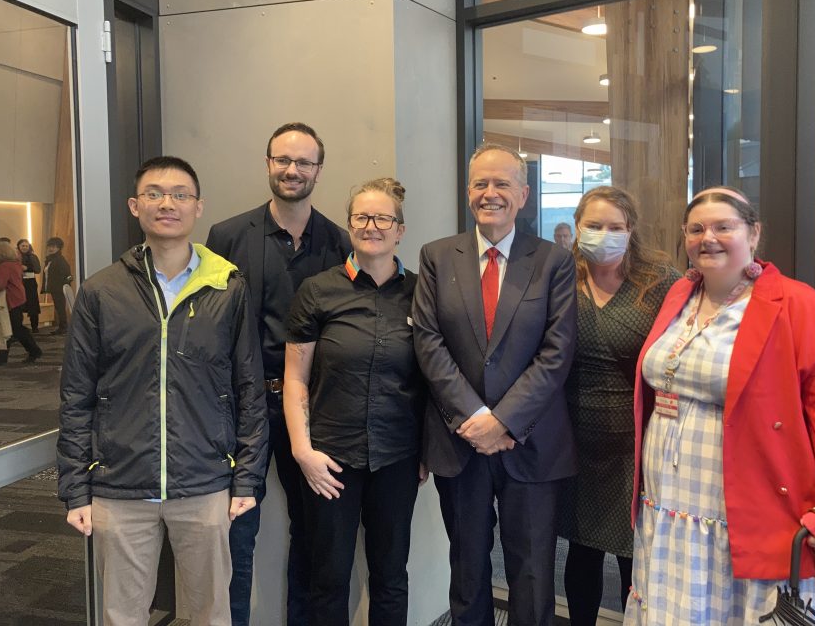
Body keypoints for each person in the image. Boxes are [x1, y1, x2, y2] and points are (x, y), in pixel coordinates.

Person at [626, 186, 815, 624]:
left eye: (724, 226)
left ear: (754, 233)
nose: (709, 237)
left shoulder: (808, 312)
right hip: (674, 496)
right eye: (697, 229)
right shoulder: (681, 296)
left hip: (750, 501)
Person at [57, 156, 268, 626]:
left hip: (205, 482)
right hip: (120, 485)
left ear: (198, 207)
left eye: (180, 194)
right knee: (121, 615)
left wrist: (247, 476)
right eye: (154, 193)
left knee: (210, 613)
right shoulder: (102, 291)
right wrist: (75, 487)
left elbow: (249, 387)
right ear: (135, 206)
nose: (166, 203)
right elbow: (77, 394)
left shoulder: (227, 287)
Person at [413, 142, 578, 626]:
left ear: (523, 194)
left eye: (502, 183)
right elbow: (428, 342)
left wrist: (504, 420)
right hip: (459, 441)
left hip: (531, 442)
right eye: (481, 184)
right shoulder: (437, 257)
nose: (491, 193)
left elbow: (557, 351)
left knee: (532, 572)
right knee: (467, 568)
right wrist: (476, 418)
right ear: (468, 193)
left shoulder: (553, 262)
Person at [206, 122, 351, 626]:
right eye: (283, 160)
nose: (292, 170)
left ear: (318, 170)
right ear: (268, 163)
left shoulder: (340, 241)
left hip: (312, 411)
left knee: (314, 534)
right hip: (242, 410)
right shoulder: (225, 237)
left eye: (303, 162)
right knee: (236, 533)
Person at [284, 177, 425, 626]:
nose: (372, 226)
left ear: (400, 229)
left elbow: (433, 378)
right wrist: (302, 451)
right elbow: (295, 379)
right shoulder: (317, 290)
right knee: (327, 579)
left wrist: (427, 451)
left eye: (383, 217)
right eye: (361, 217)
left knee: (390, 576)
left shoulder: (423, 292)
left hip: (398, 457)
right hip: (330, 459)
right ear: (349, 226)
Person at [556, 186, 678, 625]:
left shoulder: (661, 282)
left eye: (615, 227)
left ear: (631, 232)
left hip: (637, 441)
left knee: (634, 552)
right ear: (576, 227)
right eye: (593, 225)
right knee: (581, 547)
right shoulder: (560, 278)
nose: (603, 235)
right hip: (573, 438)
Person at [0, 239, 42, 366]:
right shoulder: (16, 263)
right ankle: (4, 356)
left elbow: (1, 284)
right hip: (18, 297)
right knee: (14, 328)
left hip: (10, 300)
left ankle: (33, 350)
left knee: (12, 329)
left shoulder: (4, 265)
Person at [43, 236, 72, 334]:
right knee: (59, 307)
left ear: (59, 248)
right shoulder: (50, 259)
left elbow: (67, 274)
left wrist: (64, 286)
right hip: (54, 288)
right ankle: (62, 327)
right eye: (50, 246)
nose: (51, 248)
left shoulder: (59, 259)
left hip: (59, 288)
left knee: (60, 307)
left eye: (54, 246)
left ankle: (64, 327)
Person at [17, 239, 42, 332]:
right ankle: (19, 327)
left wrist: (27, 268)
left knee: (33, 305)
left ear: (29, 247)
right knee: (19, 305)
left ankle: (34, 327)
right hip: (19, 283)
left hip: (30, 283)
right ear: (18, 247)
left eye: (26, 246)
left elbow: (38, 270)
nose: (24, 247)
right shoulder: (15, 257)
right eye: (22, 245)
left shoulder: (33, 256)